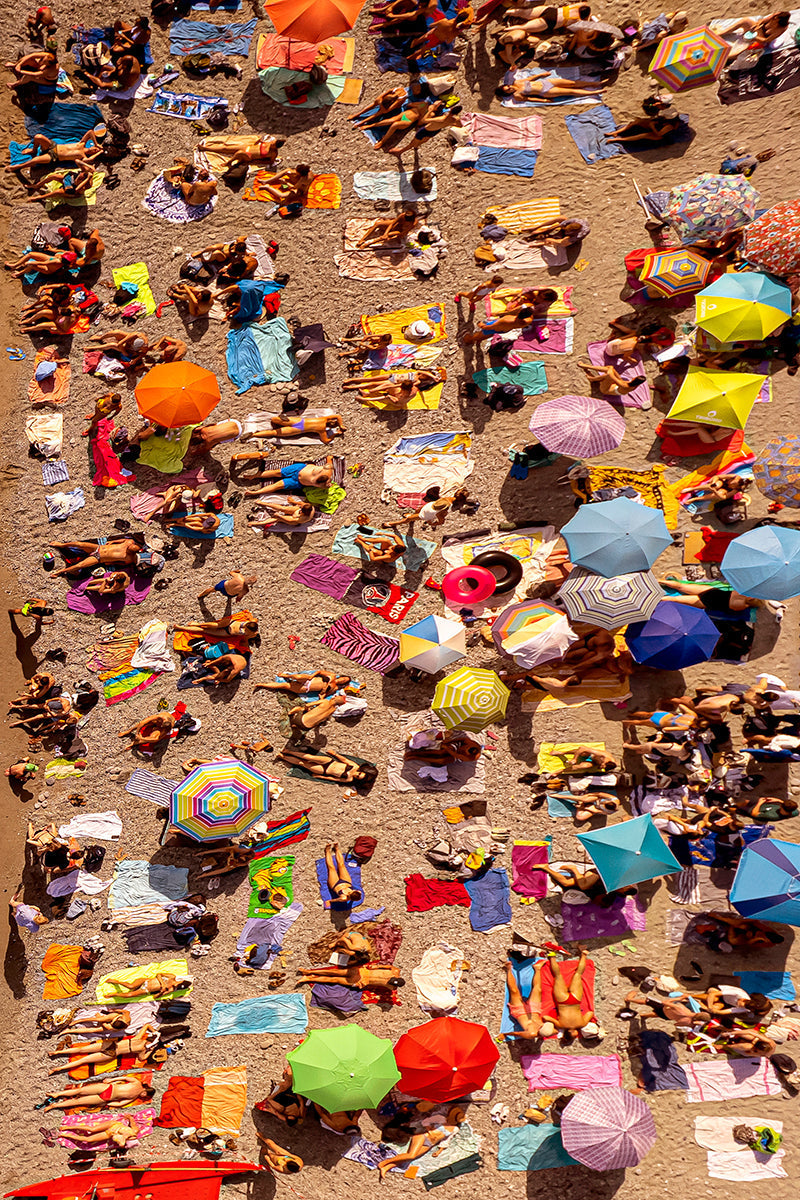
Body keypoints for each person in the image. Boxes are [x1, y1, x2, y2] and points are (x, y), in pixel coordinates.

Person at [377, 1107, 465, 1180]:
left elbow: (446, 1140)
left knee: (409, 1159)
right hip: (423, 1136)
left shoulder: (455, 1129)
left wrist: (440, 1150)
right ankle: (385, 1162)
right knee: (411, 1155)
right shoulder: (441, 1119)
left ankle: (386, 1168)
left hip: (430, 1144)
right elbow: (425, 1121)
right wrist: (429, 1129)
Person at [46, 1023, 159, 1074]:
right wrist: (150, 1050)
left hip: (111, 1045)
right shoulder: (142, 1049)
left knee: (81, 1050)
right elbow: (142, 1058)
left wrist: (155, 1032)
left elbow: (147, 1025)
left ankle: (56, 1053)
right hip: (112, 1053)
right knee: (83, 1060)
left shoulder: (138, 1039)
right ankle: (57, 1069)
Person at [50, 536, 158, 577]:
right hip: (98, 548)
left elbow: (118, 563)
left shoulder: (129, 559)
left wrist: (109, 563)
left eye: (130, 549)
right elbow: (123, 540)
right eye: (130, 547)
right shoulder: (129, 542)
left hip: (99, 558)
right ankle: (61, 545)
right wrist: (113, 542)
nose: (128, 548)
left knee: (80, 565)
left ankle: (60, 571)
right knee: (79, 544)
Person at [39, 1075, 156, 1112]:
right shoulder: (136, 1083)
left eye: (144, 1097)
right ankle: (57, 1094)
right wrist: (111, 1080)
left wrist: (108, 1105)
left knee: (77, 1101)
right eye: (144, 1095)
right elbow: (124, 1077)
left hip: (106, 1097)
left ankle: (54, 1105)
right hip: (108, 1088)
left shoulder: (133, 1097)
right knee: (80, 1091)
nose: (142, 1097)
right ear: (145, 1091)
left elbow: (120, 1104)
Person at [277, 746, 378, 787]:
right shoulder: (355, 766)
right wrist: (334, 754)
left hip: (324, 771)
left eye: (358, 777)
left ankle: (283, 757)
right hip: (330, 762)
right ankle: (288, 751)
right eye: (359, 773)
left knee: (302, 763)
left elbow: (334, 779)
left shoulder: (349, 779)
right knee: (310, 757)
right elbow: (345, 760)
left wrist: (320, 777)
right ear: (362, 771)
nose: (356, 774)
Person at [657, 576, 758, 615]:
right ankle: (658, 599)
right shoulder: (741, 606)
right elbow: (730, 610)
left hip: (711, 591)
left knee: (681, 586)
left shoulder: (740, 593)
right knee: (676, 599)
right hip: (708, 603)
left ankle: (659, 581)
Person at [237, 457, 333, 497]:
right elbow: (329, 458)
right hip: (299, 468)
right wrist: (330, 458)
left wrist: (327, 486)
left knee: (277, 486)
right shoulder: (328, 470)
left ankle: (255, 492)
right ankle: (254, 476)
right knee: (276, 472)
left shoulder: (323, 484)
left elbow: (324, 487)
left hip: (297, 482)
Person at [503, 959, 547, 1040]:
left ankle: (508, 970)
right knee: (538, 989)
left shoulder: (531, 1034)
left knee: (514, 991)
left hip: (520, 1012)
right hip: (534, 1009)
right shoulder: (546, 1029)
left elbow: (518, 1033)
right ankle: (537, 969)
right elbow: (555, 1030)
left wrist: (505, 1034)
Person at [243, 415, 346, 445]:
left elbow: (338, 416)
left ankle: (279, 418)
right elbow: (326, 441)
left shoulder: (324, 418)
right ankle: (253, 435)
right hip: (300, 429)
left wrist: (341, 424)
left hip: (300, 421)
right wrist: (335, 434)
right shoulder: (322, 430)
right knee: (274, 433)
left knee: (274, 419)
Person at [495, 74, 607, 101]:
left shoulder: (517, 82)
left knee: (573, 83)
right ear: (508, 93)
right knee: (571, 91)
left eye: (508, 86)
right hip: (546, 91)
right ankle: (595, 92)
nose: (510, 87)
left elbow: (530, 78)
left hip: (546, 82)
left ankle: (595, 84)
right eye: (508, 90)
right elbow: (529, 99)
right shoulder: (517, 95)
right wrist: (544, 100)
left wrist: (541, 75)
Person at [296, 961, 403, 989]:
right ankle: (309, 971)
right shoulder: (395, 971)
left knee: (335, 980)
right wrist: (376, 967)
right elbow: (389, 966)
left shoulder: (392, 987)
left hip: (361, 982)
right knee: (335, 972)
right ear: (397, 976)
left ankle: (308, 979)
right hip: (362, 972)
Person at [462, 306, 538, 345]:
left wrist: (481, 325)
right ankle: (479, 339)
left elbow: (491, 327)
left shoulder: (507, 319)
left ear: (519, 312)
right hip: (504, 330)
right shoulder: (528, 321)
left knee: (483, 333)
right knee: (490, 334)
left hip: (497, 327)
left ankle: (470, 339)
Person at [58, 1115, 141, 1150]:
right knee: (92, 1129)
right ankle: (68, 1127)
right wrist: (129, 1117)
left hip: (109, 1133)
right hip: (113, 1125)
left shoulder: (122, 1141)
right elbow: (132, 1121)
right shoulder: (135, 1131)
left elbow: (119, 1143)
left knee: (88, 1139)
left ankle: (66, 1135)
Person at [255, 670, 354, 697]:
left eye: (344, 681)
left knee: (283, 686)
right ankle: (287, 676)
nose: (342, 680)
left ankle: (262, 685)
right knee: (297, 677)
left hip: (306, 689)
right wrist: (311, 676)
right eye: (343, 678)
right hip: (308, 680)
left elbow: (323, 695)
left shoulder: (335, 688)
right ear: (341, 676)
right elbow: (319, 671)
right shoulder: (332, 675)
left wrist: (324, 691)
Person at [107, 970, 192, 1000]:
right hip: (146, 981)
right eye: (177, 984)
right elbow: (159, 974)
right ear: (180, 981)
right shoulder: (172, 977)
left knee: (129, 995)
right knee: (131, 986)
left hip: (146, 990)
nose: (175, 985)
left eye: (177, 987)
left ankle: (115, 994)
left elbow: (155, 997)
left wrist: (161, 992)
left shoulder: (171, 989)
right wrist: (162, 983)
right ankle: (117, 982)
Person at [577, 361, 646, 397]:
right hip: (616, 385)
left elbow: (611, 376)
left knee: (608, 375)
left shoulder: (625, 386)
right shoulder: (635, 384)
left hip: (606, 390)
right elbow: (619, 379)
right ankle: (585, 366)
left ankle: (592, 379)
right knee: (610, 368)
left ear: (635, 380)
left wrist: (610, 370)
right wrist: (611, 369)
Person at [247, 499, 316, 529]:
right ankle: (263, 503)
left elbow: (290, 520)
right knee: (283, 508)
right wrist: (293, 502)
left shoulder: (303, 518)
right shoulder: (309, 506)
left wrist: (279, 516)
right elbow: (301, 503)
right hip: (296, 511)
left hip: (294, 520)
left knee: (277, 519)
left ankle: (257, 523)